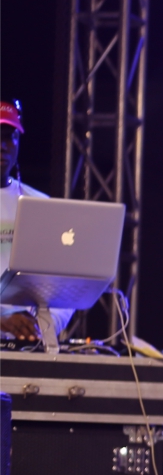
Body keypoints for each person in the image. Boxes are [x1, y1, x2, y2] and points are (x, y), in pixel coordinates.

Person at [0, 101, 71, 343]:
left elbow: (64, 287)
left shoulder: (41, 205)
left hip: (27, 347)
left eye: (9, 137)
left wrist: (42, 329)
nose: (2, 146)